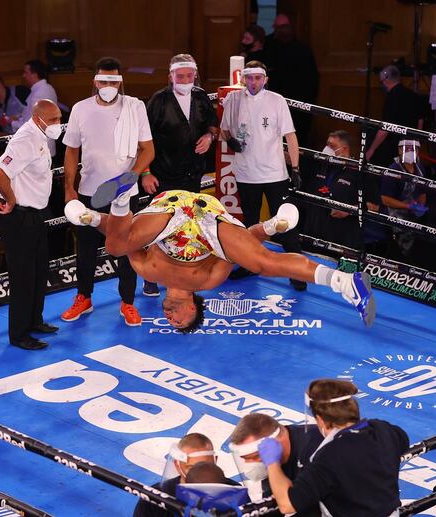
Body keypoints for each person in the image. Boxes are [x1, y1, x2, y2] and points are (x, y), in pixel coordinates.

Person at [64, 182, 376, 331]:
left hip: (168, 214)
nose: (171, 319)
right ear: (194, 308)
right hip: (204, 220)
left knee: (118, 246)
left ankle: (116, 201)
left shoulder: (150, 271)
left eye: (170, 322)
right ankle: (346, 282)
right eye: (181, 322)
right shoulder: (210, 279)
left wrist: (97, 221)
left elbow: (124, 237)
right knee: (262, 263)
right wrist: (267, 230)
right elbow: (241, 248)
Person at [60, 57, 154, 327]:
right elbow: (71, 150)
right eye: (104, 81)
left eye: (113, 81)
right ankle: (84, 298)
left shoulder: (135, 108)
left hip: (125, 192)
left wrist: (130, 177)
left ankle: (127, 303)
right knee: (86, 250)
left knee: (128, 250)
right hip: (89, 191)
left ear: (120, 81)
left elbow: (148, 150)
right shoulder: (80, 109)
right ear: (95, 81)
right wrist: (69, 188)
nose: (108, 85)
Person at [257, 379, 409, 516]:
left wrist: (272, 463)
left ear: (321, 420)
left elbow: (287, 505)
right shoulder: (383, 429)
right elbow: (402, 444)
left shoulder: (329, 456)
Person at [220, 61, 306, 291]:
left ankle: (297, 272)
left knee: (286, 223)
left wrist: (295, 168)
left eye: (258, 78)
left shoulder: (277, 100)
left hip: (275, 173)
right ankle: (249, 264)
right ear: (244, 79)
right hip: (246, 173)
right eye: (250, 78)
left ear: (265, 79)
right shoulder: (234, 100)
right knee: (250, 224)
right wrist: (229, 140)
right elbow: (224, 128)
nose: (254, 82)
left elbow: (291, 136)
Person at [143, 53, 219, 296]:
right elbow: (142, 138)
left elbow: (212, 125)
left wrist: (209, 137)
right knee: (158, 226)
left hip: (192, 173)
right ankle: (151, 276)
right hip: (163, 173)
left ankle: (185, 272)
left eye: (189, 75)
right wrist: (145, 172)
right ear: (171, 76)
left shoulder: (200, 96)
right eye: (180, 75)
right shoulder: (158, 100)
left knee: (189, 223)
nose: (185, 79)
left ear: (195, 74)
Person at [0, 99, 62, 350]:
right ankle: (19, 334)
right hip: (20, 216)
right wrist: (10, 199)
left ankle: (34, 321)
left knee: (39, 270)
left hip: (35, 214)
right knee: (23, 276)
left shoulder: (41, 136)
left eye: (59, 119)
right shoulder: (24, 140)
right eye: (53, 120)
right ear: (38, 118)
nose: (58, 124)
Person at [229, 413, 323, 511]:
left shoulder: (316, 448)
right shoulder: (271, 460)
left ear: (274, 444)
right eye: (245, 459)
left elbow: (289, 505)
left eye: (255, 457)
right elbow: (274, 504)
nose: (250, 465)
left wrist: (272, 464)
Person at [132, 433, 235, 517]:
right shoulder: (155, 499)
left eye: (205, 466)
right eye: (191, 468)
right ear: (177, 465)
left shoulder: (235, 494)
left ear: (215, 461)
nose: (200, 474)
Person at [263, 14, 319, 145]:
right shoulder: (269, 47)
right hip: (274, 102)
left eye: (283, 27)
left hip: (299, 103)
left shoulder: (302, 50)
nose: (280, 30)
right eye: (277, 27)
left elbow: (312, 79)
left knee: (298, 137)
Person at [364, 65, 424, 167]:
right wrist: (415, 142)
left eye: (381, 82)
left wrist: (371, 150)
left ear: (386, 80)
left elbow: (384, 129)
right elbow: (420, 121)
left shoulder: (391, 98)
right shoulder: (414, 96)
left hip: (393, 149)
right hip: (411, 145)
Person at [381, 140, 428, 257]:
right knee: (396, 250)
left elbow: (423, 192)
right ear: (399, 150)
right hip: (393, 215)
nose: (410, 152)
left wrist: (420, 206)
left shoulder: (420, 169)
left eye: (413, 149)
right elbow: (384, 199)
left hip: (412, 215)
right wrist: (408, 206)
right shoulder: (393, 170)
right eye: (406, 149)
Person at [13, 59, 59, 156]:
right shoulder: (46, 88)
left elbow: (32, 122)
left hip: (40, 149)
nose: (24, 76)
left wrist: (11, 122)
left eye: (26, 72)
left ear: (34, 74)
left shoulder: (40, 92)